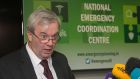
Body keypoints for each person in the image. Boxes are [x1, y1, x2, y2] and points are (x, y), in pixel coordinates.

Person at [0, 9, 75, 79]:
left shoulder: (61, 60)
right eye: (44, 36)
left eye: (54, 36)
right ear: (30, 35)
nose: (50, 43)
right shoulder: (6, 66)